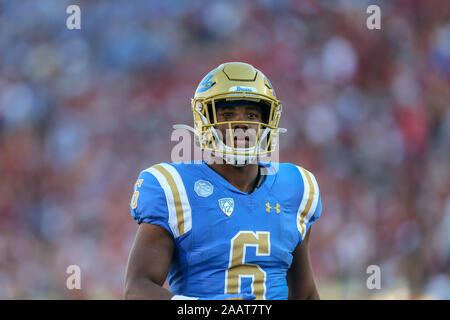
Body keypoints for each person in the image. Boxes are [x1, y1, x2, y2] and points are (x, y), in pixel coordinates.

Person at [124, 62, 323, 300]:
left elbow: (305, 294)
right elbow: (137, 288)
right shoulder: (174, 187)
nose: (241, 123)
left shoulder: (296, 187)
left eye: (252, 114)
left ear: (269, 122)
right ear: (205, 121)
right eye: (228, 114)